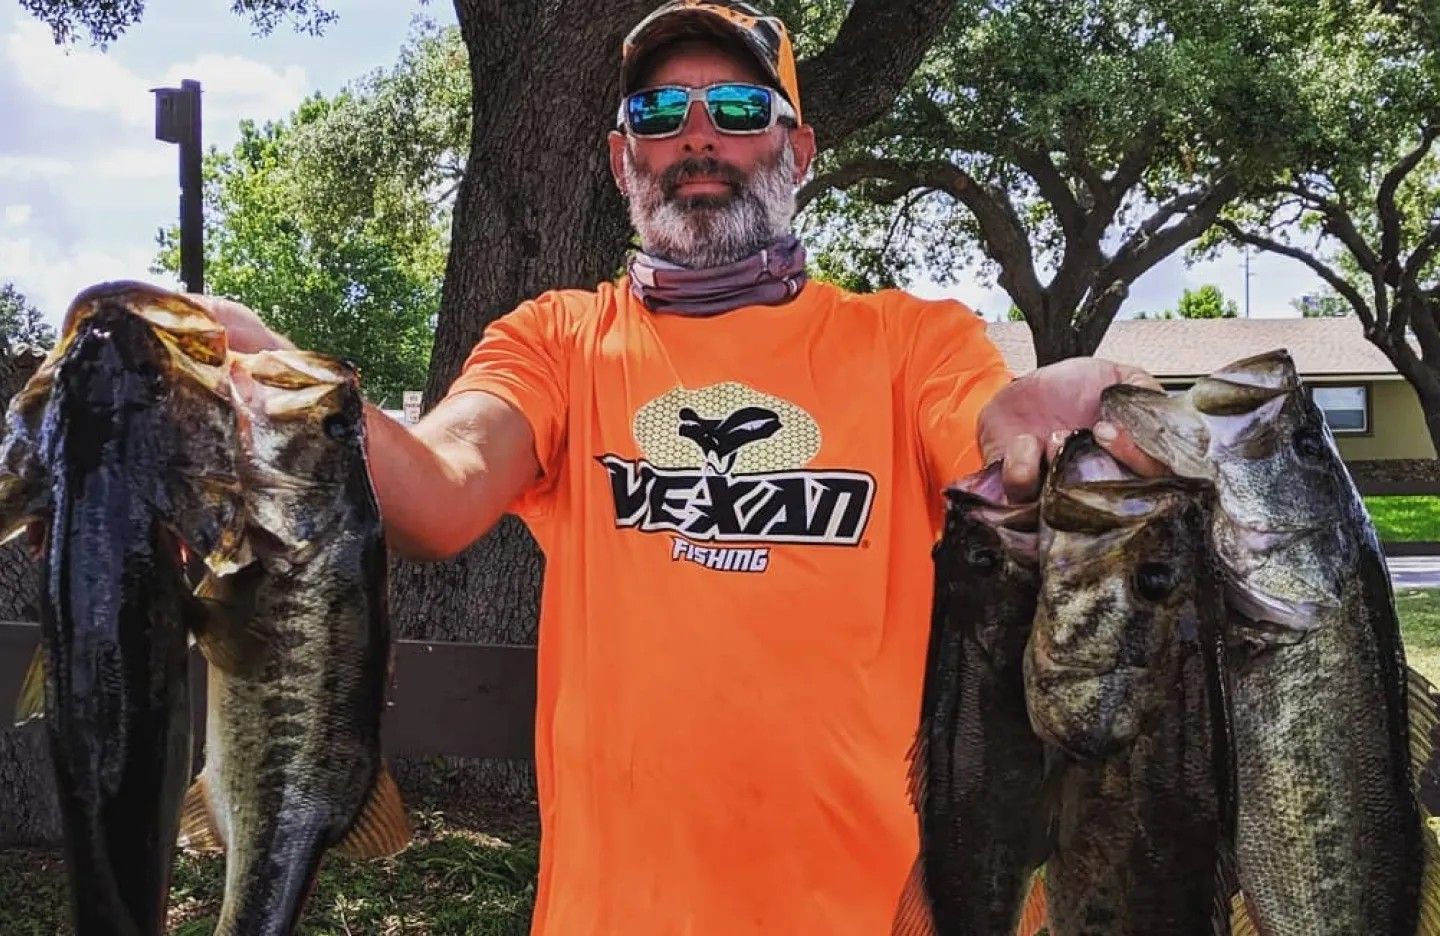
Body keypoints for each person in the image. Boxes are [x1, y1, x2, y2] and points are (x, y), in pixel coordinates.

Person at [200, 2, 1163, 931]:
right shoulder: (558, 342)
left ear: (797, 151)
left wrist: (1051, 439)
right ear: (624, 159)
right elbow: (439, 491)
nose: (697, 135)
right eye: (659, 112)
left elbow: (995, 455)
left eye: (739, 108)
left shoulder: (912, 342)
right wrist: (284, 384)